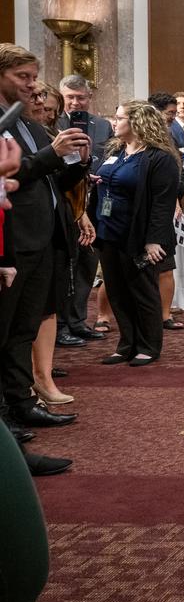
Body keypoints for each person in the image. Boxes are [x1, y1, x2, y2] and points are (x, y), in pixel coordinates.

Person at [0, 45, 90, 437]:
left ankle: (21, 403)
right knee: (5, 330)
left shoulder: (28, 123)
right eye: (23, 76)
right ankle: (7, 414)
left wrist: (77, 161)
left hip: (41, 238)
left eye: (34, 77)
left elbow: (49, 179)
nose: (32, 86)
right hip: (12, 240)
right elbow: (12, 174)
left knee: (24, 328)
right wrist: (52, 154)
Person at [92, 100, 181, 366]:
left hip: (138, 236)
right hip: (108, 232)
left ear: (137, 122)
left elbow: (163, 204)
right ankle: (127, 343)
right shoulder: (117, 151)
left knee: (142, 291)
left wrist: (154, 240)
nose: (114, 121)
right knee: (117, 291)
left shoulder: (159, 158)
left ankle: (149, 345)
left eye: (119, 118)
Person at [27, 84, 93, 403]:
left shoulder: (42, 134)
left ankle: (43, 377)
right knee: (28, 312)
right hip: (25, 231)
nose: (46, 109)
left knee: (48, 306)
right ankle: (29, 382)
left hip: (53, 226)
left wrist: (81, 163)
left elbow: (60, 184)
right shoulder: (20, 134)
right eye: (39, 101)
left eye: (50, 106)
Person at [55, 74, 111, 345]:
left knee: (89, 265)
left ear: (90, 98)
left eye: (81, 97)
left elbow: (111, 155)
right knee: (68, 265)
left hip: (97, 202)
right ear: (62, 98)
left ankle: (78, 321)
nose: (76, 103)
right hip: (67, 202)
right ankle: (62, 324)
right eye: (70, 97)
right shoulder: (54, 123)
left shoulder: (101, 125)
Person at [148, 91, 184, 331]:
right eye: (169, 113)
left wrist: (179, 196)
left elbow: (177, 171)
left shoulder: (170, 137)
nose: (172, 117)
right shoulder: (142, 138)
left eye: (174, 113)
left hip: (165, 209)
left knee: (166, 265)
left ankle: (164, 315)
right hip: (146, 208)